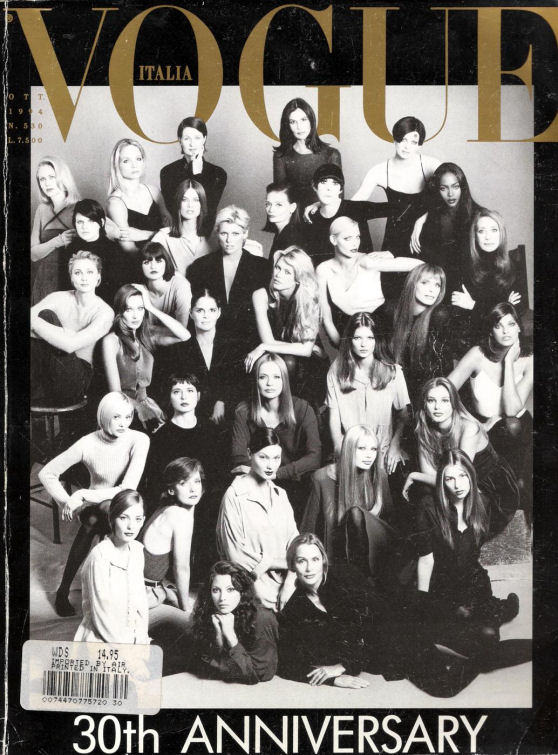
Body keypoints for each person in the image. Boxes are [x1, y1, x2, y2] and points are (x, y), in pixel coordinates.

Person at [411, 449, 526, 673]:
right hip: (442, 588)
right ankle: (499, 610)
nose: (458, 484)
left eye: (463, 475)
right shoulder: (428, 506)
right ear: (441, 481)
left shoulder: (483, 502)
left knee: (488, 636)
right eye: (450, 478)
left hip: (474, 584)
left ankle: (504, 609)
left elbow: (472, 553)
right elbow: (426, 559)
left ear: (471, 476)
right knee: (439, 635)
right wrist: (422, 603)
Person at [39, 392, 150, 617]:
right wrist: (68, 503)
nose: (124, 423)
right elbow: (46, 473)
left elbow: (127, 487)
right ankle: (64, 591)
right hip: (93, 505)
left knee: (97, 517)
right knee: (92, 517)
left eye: (128, 417)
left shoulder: (139, 439)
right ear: (104, 416)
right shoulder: (87, 443)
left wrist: (82, 495)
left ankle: (81, 591)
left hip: (125, 504)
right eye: (116, 417)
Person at [448, 302, 533, 519]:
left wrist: (509, 363)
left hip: (517, 433)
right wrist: (473, 422)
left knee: (512, 424)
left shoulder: (530, 360)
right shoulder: (477, 355)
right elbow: (444, 390)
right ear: (490, 330)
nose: (506, 331)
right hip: (485, 430)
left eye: (511, 324)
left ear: (519, 327)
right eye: (498, 325)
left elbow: (512, 409)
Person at [301, 425, 409, 583]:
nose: (369, 455)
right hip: (339, 560)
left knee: (355, 513)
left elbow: (389, 525)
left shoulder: (379, 476)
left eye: (373, 449)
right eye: (362, 448)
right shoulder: (321, 478)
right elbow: (308, 529)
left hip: (377, 558)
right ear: (349, 449)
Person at [402, 377, 520, 521]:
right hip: (453, 484)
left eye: (445, 400)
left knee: (445, 507)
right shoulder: (424, 430)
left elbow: (459, 478)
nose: (437, 407)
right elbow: (430, 475)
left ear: (454, 403)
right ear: (424, 405)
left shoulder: (469, 428)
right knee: (426, 497)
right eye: (431, 400)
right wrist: (424, 478)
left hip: (490, 487)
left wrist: (414, 475)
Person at [231, 353, 321, 519]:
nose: (270, 383)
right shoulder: (243, 411)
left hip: (293, 484)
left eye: (276, 377)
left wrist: (277, 474)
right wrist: (263, 476)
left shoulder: (302, 409)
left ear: (284, 380)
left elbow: (315, 457)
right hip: (256, 482)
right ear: (256, 381)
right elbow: (239, 458)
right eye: (263, 377)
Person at [217, 427, 298, 611]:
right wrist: (285, 563)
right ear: (249, 454)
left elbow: (295, 542)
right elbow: (235, 554)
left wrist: (289, 583)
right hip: (251, 587)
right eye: (263, 457)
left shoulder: (281, 495)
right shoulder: (234, 496)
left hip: (288, 584)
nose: (271, 465)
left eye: (276, 458)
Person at [278, 533, 370, 688]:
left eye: (315, 559)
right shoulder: (293, 608)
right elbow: (286, 664)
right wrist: (332, 679)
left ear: (323, 561)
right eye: (301, 561)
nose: (309, 568)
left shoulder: (345, 582)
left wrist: (342, 666)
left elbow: (373, 629)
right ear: (292, 566)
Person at [317, 216, 424, 346]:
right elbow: (326, 317)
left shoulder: (367, 262)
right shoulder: (323, 269)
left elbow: (420, 265)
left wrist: (391, 253)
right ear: (333, 240)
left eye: (357, 237)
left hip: (381, 331)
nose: (355, 244)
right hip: (349, 333)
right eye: (347, 238)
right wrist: (342, 348)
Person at [326, 313, 410, 474]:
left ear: (377, 340)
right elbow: (334, 417)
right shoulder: (337, 371)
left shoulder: (393, 371)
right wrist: (339, 448)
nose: (364, 344)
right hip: (350, 448)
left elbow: (403, 415)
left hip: (382, 449)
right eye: (357, 338)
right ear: (349, 340)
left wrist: (395, 445)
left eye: (370, 338)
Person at [102, 283, 190, 430]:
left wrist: (150, 307)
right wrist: (140, 408)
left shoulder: (147, 335)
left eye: (140, 308)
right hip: (121, 409)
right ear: (120, 311)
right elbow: (115, 393)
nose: (135, 315)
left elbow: (185, 335)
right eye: (129, 309)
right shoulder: (111, 341)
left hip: (147, 405)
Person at [31, 251, 114, 405]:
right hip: (45, 374)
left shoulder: (104, 312)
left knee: (46, 316)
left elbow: (70, 345)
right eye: (78, 272)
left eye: (90, 272)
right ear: (71, 277)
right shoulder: (58, 298)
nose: (84, 278)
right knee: (45, 316)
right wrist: (63, 333)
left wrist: (36, 325)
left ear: (98, 277)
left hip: (75, 382)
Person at [351, 116, 441, 258]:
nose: (407, 146)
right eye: (403, 140)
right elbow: (354, 203)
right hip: (394, 242)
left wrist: (421, 220)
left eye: (413, 142)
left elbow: (450, 199)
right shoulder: (380, 170)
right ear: (395, 139)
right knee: (356, 214)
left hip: (422, 238)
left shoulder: (432, 165)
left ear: (420, 145)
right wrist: (324, 203)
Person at [246, 246, 327, 403]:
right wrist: (303, 347)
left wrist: (264, 346)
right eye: (277, 268)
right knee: (285, 362)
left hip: (307, 363)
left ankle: (298, 409)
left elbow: (306, 351)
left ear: (298, 278)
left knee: (290, 362)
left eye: (287, 272)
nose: (278, 274)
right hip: (278, 356)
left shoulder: (309, 299)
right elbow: (269, 341)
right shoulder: (260, 295)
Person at [156, 288, 247, 425]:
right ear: (191, 313)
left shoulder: (233, 347)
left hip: (228, 417)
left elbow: (239, 385)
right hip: (191, 419)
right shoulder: (179, 350)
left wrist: (221, 401)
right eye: (200, 310)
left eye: (212, 310)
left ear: (219, 313)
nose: (206, 316)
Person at [74, 489, 149, 644]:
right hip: (102, 638)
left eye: (137, 519)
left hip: (129, 632)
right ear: (112, 518)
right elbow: (101, 616)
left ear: (143, 521)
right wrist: (126, 647)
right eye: (123, 518)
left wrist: (141, 638)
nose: (131, 526)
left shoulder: (136, 551)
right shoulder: (100, 557)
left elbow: (141, 602)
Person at [186, 206, 268, 347]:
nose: (229, 240)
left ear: (245, 234)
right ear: (217, 233)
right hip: (210, 342)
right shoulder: (200, 266)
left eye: (235, 234)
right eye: (224, 233)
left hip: (250, 343)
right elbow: (193, 312)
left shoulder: (262, 267)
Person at [190, 561, 279, 684]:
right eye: (216, 590)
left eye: (230, 589)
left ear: (242, 591)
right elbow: (203, 667)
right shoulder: (210, 613)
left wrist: (231, 637)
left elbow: (259, 676)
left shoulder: (262, 618)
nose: (222, 598)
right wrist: (219, 639)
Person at [142, 374, 217, 508]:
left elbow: (216, 476)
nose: (184, 397)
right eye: (177, 392)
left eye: (190, 391)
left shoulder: (211, 430)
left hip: (208, 505)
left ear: (198, 396)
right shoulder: (160, 437)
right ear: (169, 397)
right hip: (173, 506)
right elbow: (156, 484)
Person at [141, 457, 204, 618]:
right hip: (142, 596)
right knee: (193, 619)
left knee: (196, 604)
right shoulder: (179, 515)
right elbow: (181, 568)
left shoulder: (166, 507)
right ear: (171, 490)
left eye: (197, 481)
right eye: (183, 483)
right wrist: (185, 609)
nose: (193, 489)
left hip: (145, 588)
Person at [410, 163, 481, 294]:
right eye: (443, 188)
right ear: (437, 190)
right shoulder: (434, 216)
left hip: (470, 289)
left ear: (463, 187)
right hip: (439, 287)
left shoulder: (479, 215)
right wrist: (420, 219)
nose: (450, 194)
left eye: (455, 187)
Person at [389, 263, 453, 408]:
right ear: (412, 284)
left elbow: (438, 373)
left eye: (437, 285)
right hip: (394, 394)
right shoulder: (392, 311)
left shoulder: (439, 316)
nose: (432, 290)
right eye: (425, 283)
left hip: (426, 399)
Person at [452, 208, 530, 324]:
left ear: (501, 234)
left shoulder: (513, 265)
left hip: (505, 331)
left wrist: (473, 305)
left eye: (494, 230)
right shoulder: (464, 266)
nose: (488, 237)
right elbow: (460, 312)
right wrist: (506, 305)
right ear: (475, 236)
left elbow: (518, 309)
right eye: (481, 231)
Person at [303, 164, 390, 265]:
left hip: (361, 271)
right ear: (314, 186)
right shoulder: (311, 216)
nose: (328, 188)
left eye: (335, 183)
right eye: (323, 182)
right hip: (329, 273)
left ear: (341, 189)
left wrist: (392, 251)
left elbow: (401, 208)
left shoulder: (356, 208)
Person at [107, 138, 168, 273]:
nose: (134, 165)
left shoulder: (153, 191)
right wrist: (158, 236)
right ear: (117, 165)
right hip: (137, 267)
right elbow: (129, 250)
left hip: (163, 261)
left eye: (138, 159)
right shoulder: (115, 203)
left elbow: (171, 230)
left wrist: (144, 234)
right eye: (126, 161)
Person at [160, 117, 227, 235]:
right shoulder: (168, 171)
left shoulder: (218, 173)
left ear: (204, 139)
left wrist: (197, 173)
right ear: (180, 140)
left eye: (197, 138)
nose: (192, 144)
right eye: (187, 138)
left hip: (205, 236)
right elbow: (173, 209)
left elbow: (207, 208)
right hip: (177, 234)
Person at [273, 98, 342, 211]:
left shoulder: (331, 154)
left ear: (311, 120)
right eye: (293, 122)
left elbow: (338, 200)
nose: (299, 127)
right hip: (292, 216)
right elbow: (279, 197)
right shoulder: (281, 155)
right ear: (287, 125)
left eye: (303, 120)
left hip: (323, 215)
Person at [31, 156, 80, 304]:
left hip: (71, 280)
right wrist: (58, 241)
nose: (47, 183)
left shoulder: (80, 207)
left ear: (63, 177)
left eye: (52, 177)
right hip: (45, 279)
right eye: (42, 179)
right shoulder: (41, 209)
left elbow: (109, 229)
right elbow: (33, 254)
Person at [65, 199, 122, 305]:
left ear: (101, 223)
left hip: (105, 305)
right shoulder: (71, 249)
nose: (84, 227)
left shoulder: (113, 250)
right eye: (80, 222)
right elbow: (66, 285)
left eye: (91, 221)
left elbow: (115, 289)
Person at [151, 179, 211, 276]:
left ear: (202, 204)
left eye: (196, 200)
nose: (190, 205)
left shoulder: (211, 239)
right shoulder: (163, 237)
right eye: (184, 199)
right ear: (178, 203)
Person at [138, 241, 192, 337]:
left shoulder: (181, 286)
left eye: (158, 261)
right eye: (147, 262)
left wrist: (150, 308)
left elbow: (182, 331)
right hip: (150, 340)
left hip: (178, 341)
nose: (153, 266)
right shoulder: (139, 289)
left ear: (166, 263)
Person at [263, 181, 307, 269]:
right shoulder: (282, 232)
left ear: (292, 207)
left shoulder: (291, 237)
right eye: (268, 204)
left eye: (278, 205)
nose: (271, 209)